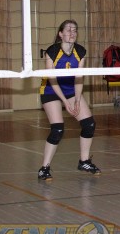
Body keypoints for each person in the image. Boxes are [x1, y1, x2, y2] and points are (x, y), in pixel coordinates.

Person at [38, 20, 100, 181]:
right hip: (51, 90)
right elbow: (52, 79)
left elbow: (79, 78)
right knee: (58, 129)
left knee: (89, 124)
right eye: (68, 30)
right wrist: (66, 102)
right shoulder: (52, 51)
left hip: (71, 90)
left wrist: (77, 100)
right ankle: (44, 168)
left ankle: (84, 161)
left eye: (75, 30)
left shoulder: (80, 51)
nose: (72, 33)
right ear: (61, 34)